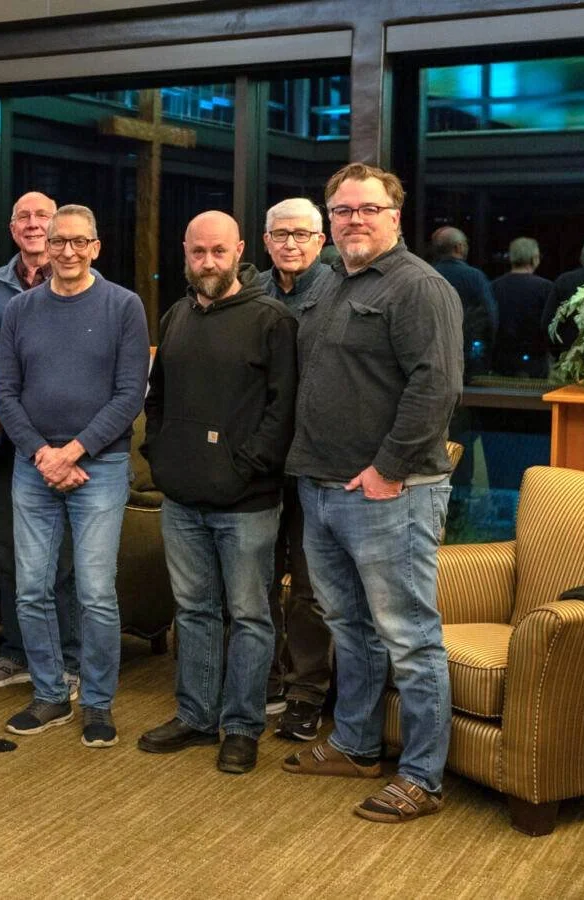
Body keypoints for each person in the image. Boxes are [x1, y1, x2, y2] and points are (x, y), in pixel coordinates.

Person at [281, 163, 462, 824]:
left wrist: (387, 468)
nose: (354, 220)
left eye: (367, 209)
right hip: (322, 487)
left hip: (391, 494)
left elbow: (435, 388)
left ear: (395, 216)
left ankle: (421, 777)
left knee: (410, 639)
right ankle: (357, 746)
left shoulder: (419, 287)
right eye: (343, 210)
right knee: (350, 630)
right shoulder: (331, 281)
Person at [136, 211, 297, 774]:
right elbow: (157, 397)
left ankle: (242, 727)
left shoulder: (271, 319)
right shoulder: (177, 315)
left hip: (247, 502)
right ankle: (197, 716)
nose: (208, 262)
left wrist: (244, 468)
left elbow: (282, 412)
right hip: (182, 500)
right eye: (198, 251)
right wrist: (159, 454)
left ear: (240, 251)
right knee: (194, 612)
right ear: (185, 251)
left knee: (249, 616)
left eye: (218, 251)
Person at [0, 204, 148, 748]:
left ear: (95, 247)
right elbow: (5, 394)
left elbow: (129, 395)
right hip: (34, 466)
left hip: (99, 467)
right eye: (59, 241)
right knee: (31, 590)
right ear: (46, 246)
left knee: (95, 593)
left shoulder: (123, 306)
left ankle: (98, 703)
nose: (67, 251)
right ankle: (50, 694)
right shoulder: (20, 309)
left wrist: (75, 452)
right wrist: (44, 454)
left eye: (79, 242)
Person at [0, 191, 84, 695]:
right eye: (22, 216)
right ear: (12, 228)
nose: (32, 223)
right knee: (9, 553)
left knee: (62, 561)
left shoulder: (87, 284)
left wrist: (66, 450)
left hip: (72, 449)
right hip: (11, 446)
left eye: (42, 215)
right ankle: (17, 652)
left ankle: (69, 656)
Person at [255, 197, 334, 741]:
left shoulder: (338, 291)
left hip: (317, 460)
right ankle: (264, 677)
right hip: (260, 461)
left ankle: (307, 692)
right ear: (266, 241)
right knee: (256, 578)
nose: (290, 244)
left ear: (320, 241)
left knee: (310, 586)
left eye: (302, 235)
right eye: (280, 234)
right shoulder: (251, 291)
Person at [429, 227, 497, 380]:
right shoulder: (475, 277)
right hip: (468, 359)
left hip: (432, 358)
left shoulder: (425, 276)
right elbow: (490, 317)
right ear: (458, 247)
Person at [490, 237, 554, 377]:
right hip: (536, 360)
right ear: (535, 258)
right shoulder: (546, 287)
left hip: (501, 360)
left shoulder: (494, 286)